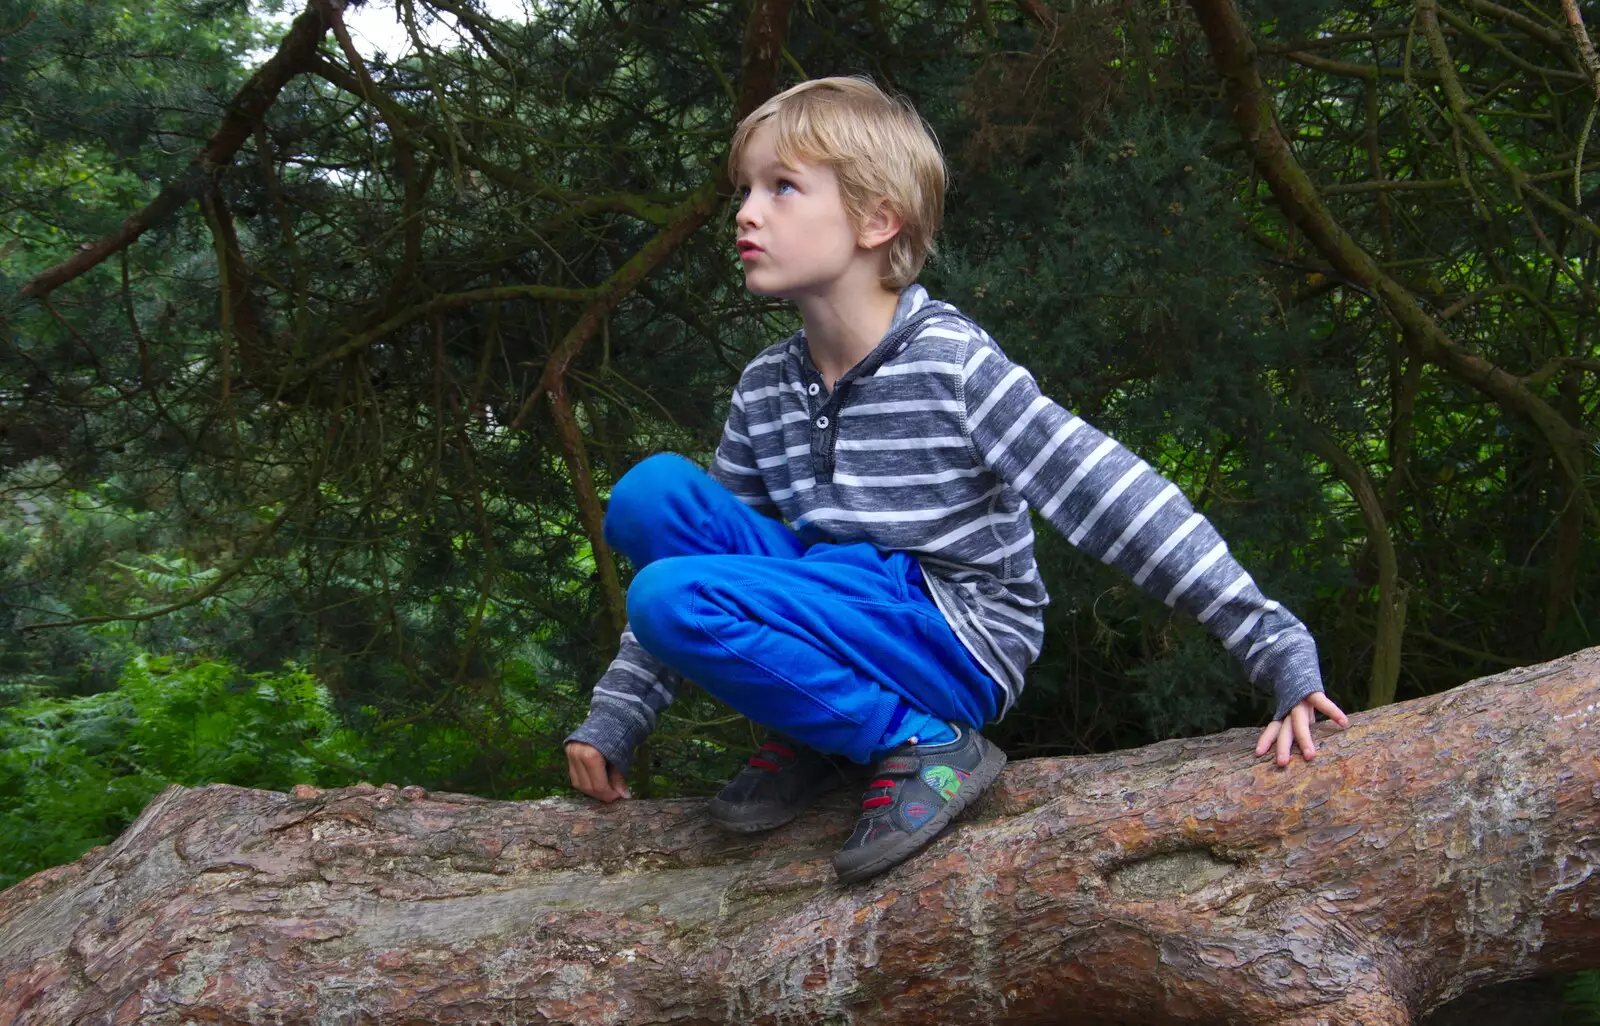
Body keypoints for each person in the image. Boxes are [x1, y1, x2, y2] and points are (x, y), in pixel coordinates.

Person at [565, 76, 1347, 884]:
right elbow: (721, 564)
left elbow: (1110, 493)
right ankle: (827, 736)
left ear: (877, 220)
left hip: (953, 631)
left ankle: (923, 742)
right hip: (839, 604)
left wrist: (1272, 641)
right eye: (747, 190)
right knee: (650, 498)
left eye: (783, 187)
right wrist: (618, 713)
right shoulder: (768, 386)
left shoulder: (952, 365)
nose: (747, 212)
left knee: (668, 596)